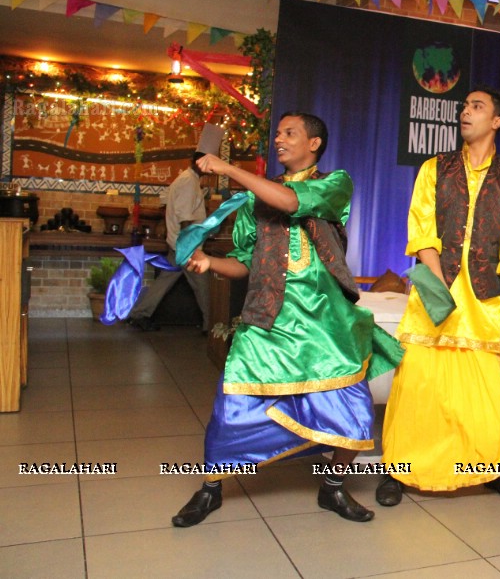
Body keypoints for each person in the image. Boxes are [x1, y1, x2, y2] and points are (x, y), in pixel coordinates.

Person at [170, 112, 403, 527]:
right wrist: (210, 261)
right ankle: (210, 489)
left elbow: (294, 203)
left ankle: (332, 488)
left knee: (352, 409)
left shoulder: (335, 183)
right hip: (267, 316)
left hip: (325, 323)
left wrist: (227, 168)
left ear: (314, 143)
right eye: (277, 133)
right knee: (233, 406)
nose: (279, 139)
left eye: (289, 133)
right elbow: (245, 262)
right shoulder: (256, 198)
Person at [376, 86, 500, 506]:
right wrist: (437, 282)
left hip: (485, 301)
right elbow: (422, 229)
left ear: (496, 121)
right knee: (419, 386)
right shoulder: (434, 169)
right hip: (435, 292)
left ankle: (491, 467)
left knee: (492, 390)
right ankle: (399, 469)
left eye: (476, 107)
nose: (465, 112)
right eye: (464, 106)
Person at [128, 147, 214, 332]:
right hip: (186, 246)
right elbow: (185, 219)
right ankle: (211, 326)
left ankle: (139, 314)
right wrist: (190, 248)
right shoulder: (188, 183)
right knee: (203, 285)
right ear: (200, 164)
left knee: (165, 280)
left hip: (180, 244)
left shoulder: (188, 180)